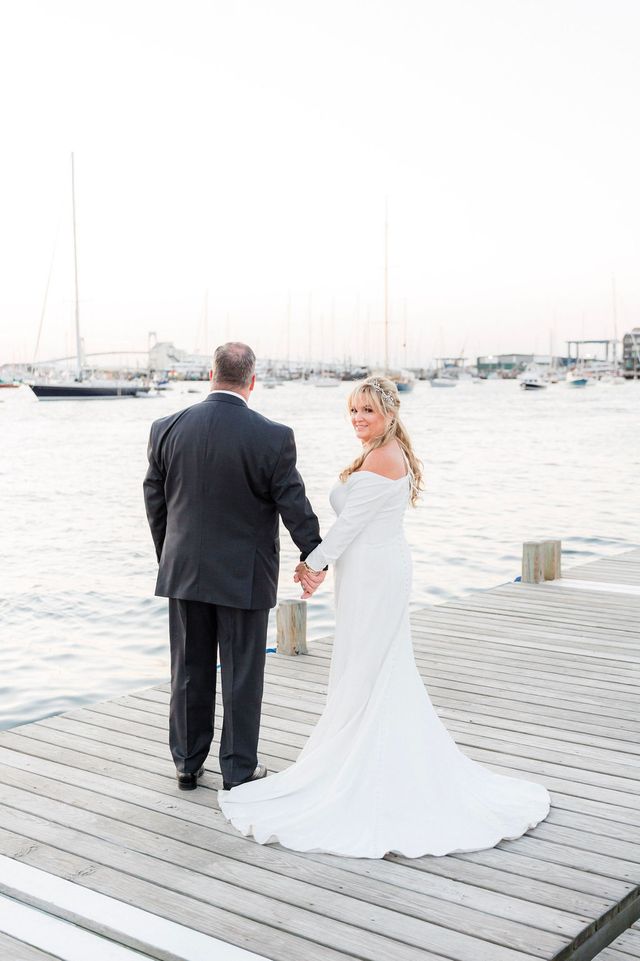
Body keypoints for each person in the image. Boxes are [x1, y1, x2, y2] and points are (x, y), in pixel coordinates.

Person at [218, 375, 551, 858]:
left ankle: (369, 770)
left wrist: (311, 566)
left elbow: (349, 525)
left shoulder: (383, 457)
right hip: (369, 569)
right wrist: (322, 565)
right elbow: (353, 525)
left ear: (390, 414)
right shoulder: (380, 451)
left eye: (367, 412)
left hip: (375, 574)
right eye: (353, 410)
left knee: (370, 667)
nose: (358, 419)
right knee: (366, 665)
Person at [143, 342, 324, 793]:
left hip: (183, 570)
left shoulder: (166, 428)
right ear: (252, 380)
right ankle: (239, 770)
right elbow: (293, 505)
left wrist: (171, 553)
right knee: (242, 673)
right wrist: (315, 556)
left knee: (188, 670)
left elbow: (154, 499)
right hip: (243, 577)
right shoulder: (272, 436)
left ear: (211, 374)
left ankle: (187, 763)